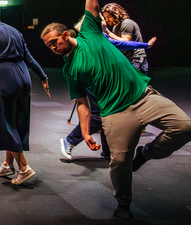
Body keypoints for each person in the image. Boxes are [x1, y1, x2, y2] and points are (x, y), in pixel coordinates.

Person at [41, 0, 191, 220]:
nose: (53, 47)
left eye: (55, 41)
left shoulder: (90, 31)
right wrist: (86, 133)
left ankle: (147, 152)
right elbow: (82, 103)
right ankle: (123, 203)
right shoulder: (69, 68)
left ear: (66, 34)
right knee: (120, 162)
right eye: (49, 46)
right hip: (115, 112)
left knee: (186, 128)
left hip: (144, 96)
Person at [60, 23, 157, 161]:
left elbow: (120, 44)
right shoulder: (89, 39)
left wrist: (146, 46)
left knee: (107, 112)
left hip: (102, 81)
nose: (106, 26)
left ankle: (107, 151)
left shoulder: (100, 37)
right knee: (99, 115)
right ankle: (70, 140)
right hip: (92, 81)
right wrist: (146, 45)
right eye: (103, 23)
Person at [0, 12, 50, 185]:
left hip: (5, 76)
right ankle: (8, 164)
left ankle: (24, 168)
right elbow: (28, 57)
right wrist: (43, 76)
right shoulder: (14, 30)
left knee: (5, 123)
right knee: (16, 121)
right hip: (23, 76)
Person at [101, 3, 150, 75]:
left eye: (108, 17)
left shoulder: (127, 23)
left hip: (135, 59)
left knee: (136, 84)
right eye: (105, 17)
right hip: (127, 59)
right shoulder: (115, 27)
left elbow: (126, 41)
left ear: (116, 13)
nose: (106, 20)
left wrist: (108, 33)